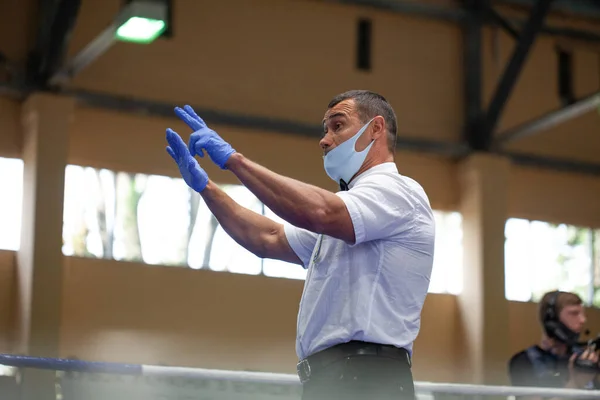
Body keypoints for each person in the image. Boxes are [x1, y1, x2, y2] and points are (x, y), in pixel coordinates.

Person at [164, 90, 436, 400]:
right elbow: (269, 238)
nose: (324, 140)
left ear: (375, 129)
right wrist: (206, 187)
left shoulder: (398, 192)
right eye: (325, 130)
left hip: (368, 376)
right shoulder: (350, 209)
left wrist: (234, 161)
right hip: (332, 377)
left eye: (337, 126)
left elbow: (319, 211)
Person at [508, 290, 600, 399]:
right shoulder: (524, 362)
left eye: (582, 314)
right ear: (551, 318)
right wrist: (575, 384)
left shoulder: (584, 359)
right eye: (574, 313)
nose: (583, 320)